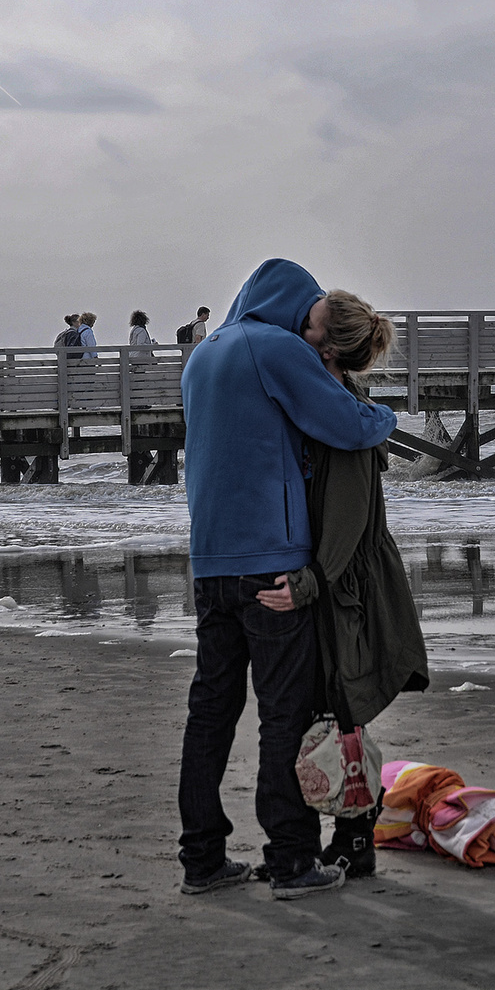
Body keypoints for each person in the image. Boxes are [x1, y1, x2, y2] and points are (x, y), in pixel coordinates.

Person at [177, 259, 396, 901]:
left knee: (210, 711)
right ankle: (293, 859)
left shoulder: (204, 353)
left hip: (211, 558)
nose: (318, 344)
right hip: (270, 560)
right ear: (303, 307)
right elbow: (348, 424)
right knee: (283, 712)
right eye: (318, 331)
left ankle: (202, 859)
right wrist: (385, 417)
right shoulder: (274, 348)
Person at [255, 293, 430, 879]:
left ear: (328, 347)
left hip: (346, 580)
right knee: (336, 703)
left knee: (341, 700)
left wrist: (310, 583)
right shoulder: (338, 403)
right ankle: (352, 837)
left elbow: (348, 519)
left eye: (307, 326)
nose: (295, 330)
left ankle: (355, 836)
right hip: (341, 574)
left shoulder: (348, 412)